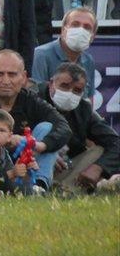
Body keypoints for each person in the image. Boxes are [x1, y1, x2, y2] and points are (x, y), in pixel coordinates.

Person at [0, 50, 71, 191]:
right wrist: (3, 140)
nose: (6, 81)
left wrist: (40, 145)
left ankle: (39, 186)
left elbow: (64, 127)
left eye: (12, 74)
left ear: (24, 77)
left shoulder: (32, 100)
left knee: (46, 127)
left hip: (27, 163)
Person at [42, 63, 120, 193]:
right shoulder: (33, 98)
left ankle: (66, 190)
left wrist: (99, 167)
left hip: (68, 168)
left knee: (99, 150)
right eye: (64, 86)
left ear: (83, 92)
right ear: (51, 84)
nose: (69, 93)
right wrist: (47, 152)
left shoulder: (84, 109)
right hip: (35, 164)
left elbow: (115, 143)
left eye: (77, 90)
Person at [31, 8, 98, 99]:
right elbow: (34, 97)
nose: (81, 30)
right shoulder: (41, 55)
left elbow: (88, 101)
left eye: (87, 27)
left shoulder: (88, 60)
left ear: (92, 36)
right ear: (63, 29)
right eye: (75, 25)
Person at [0, 108, 39, 194]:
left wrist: (26, 171)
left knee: (24, 186)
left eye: (2, 130)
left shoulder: (3, 153)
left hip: (1, 190)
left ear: (9, 136)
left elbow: (13, 179)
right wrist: (12, 173)